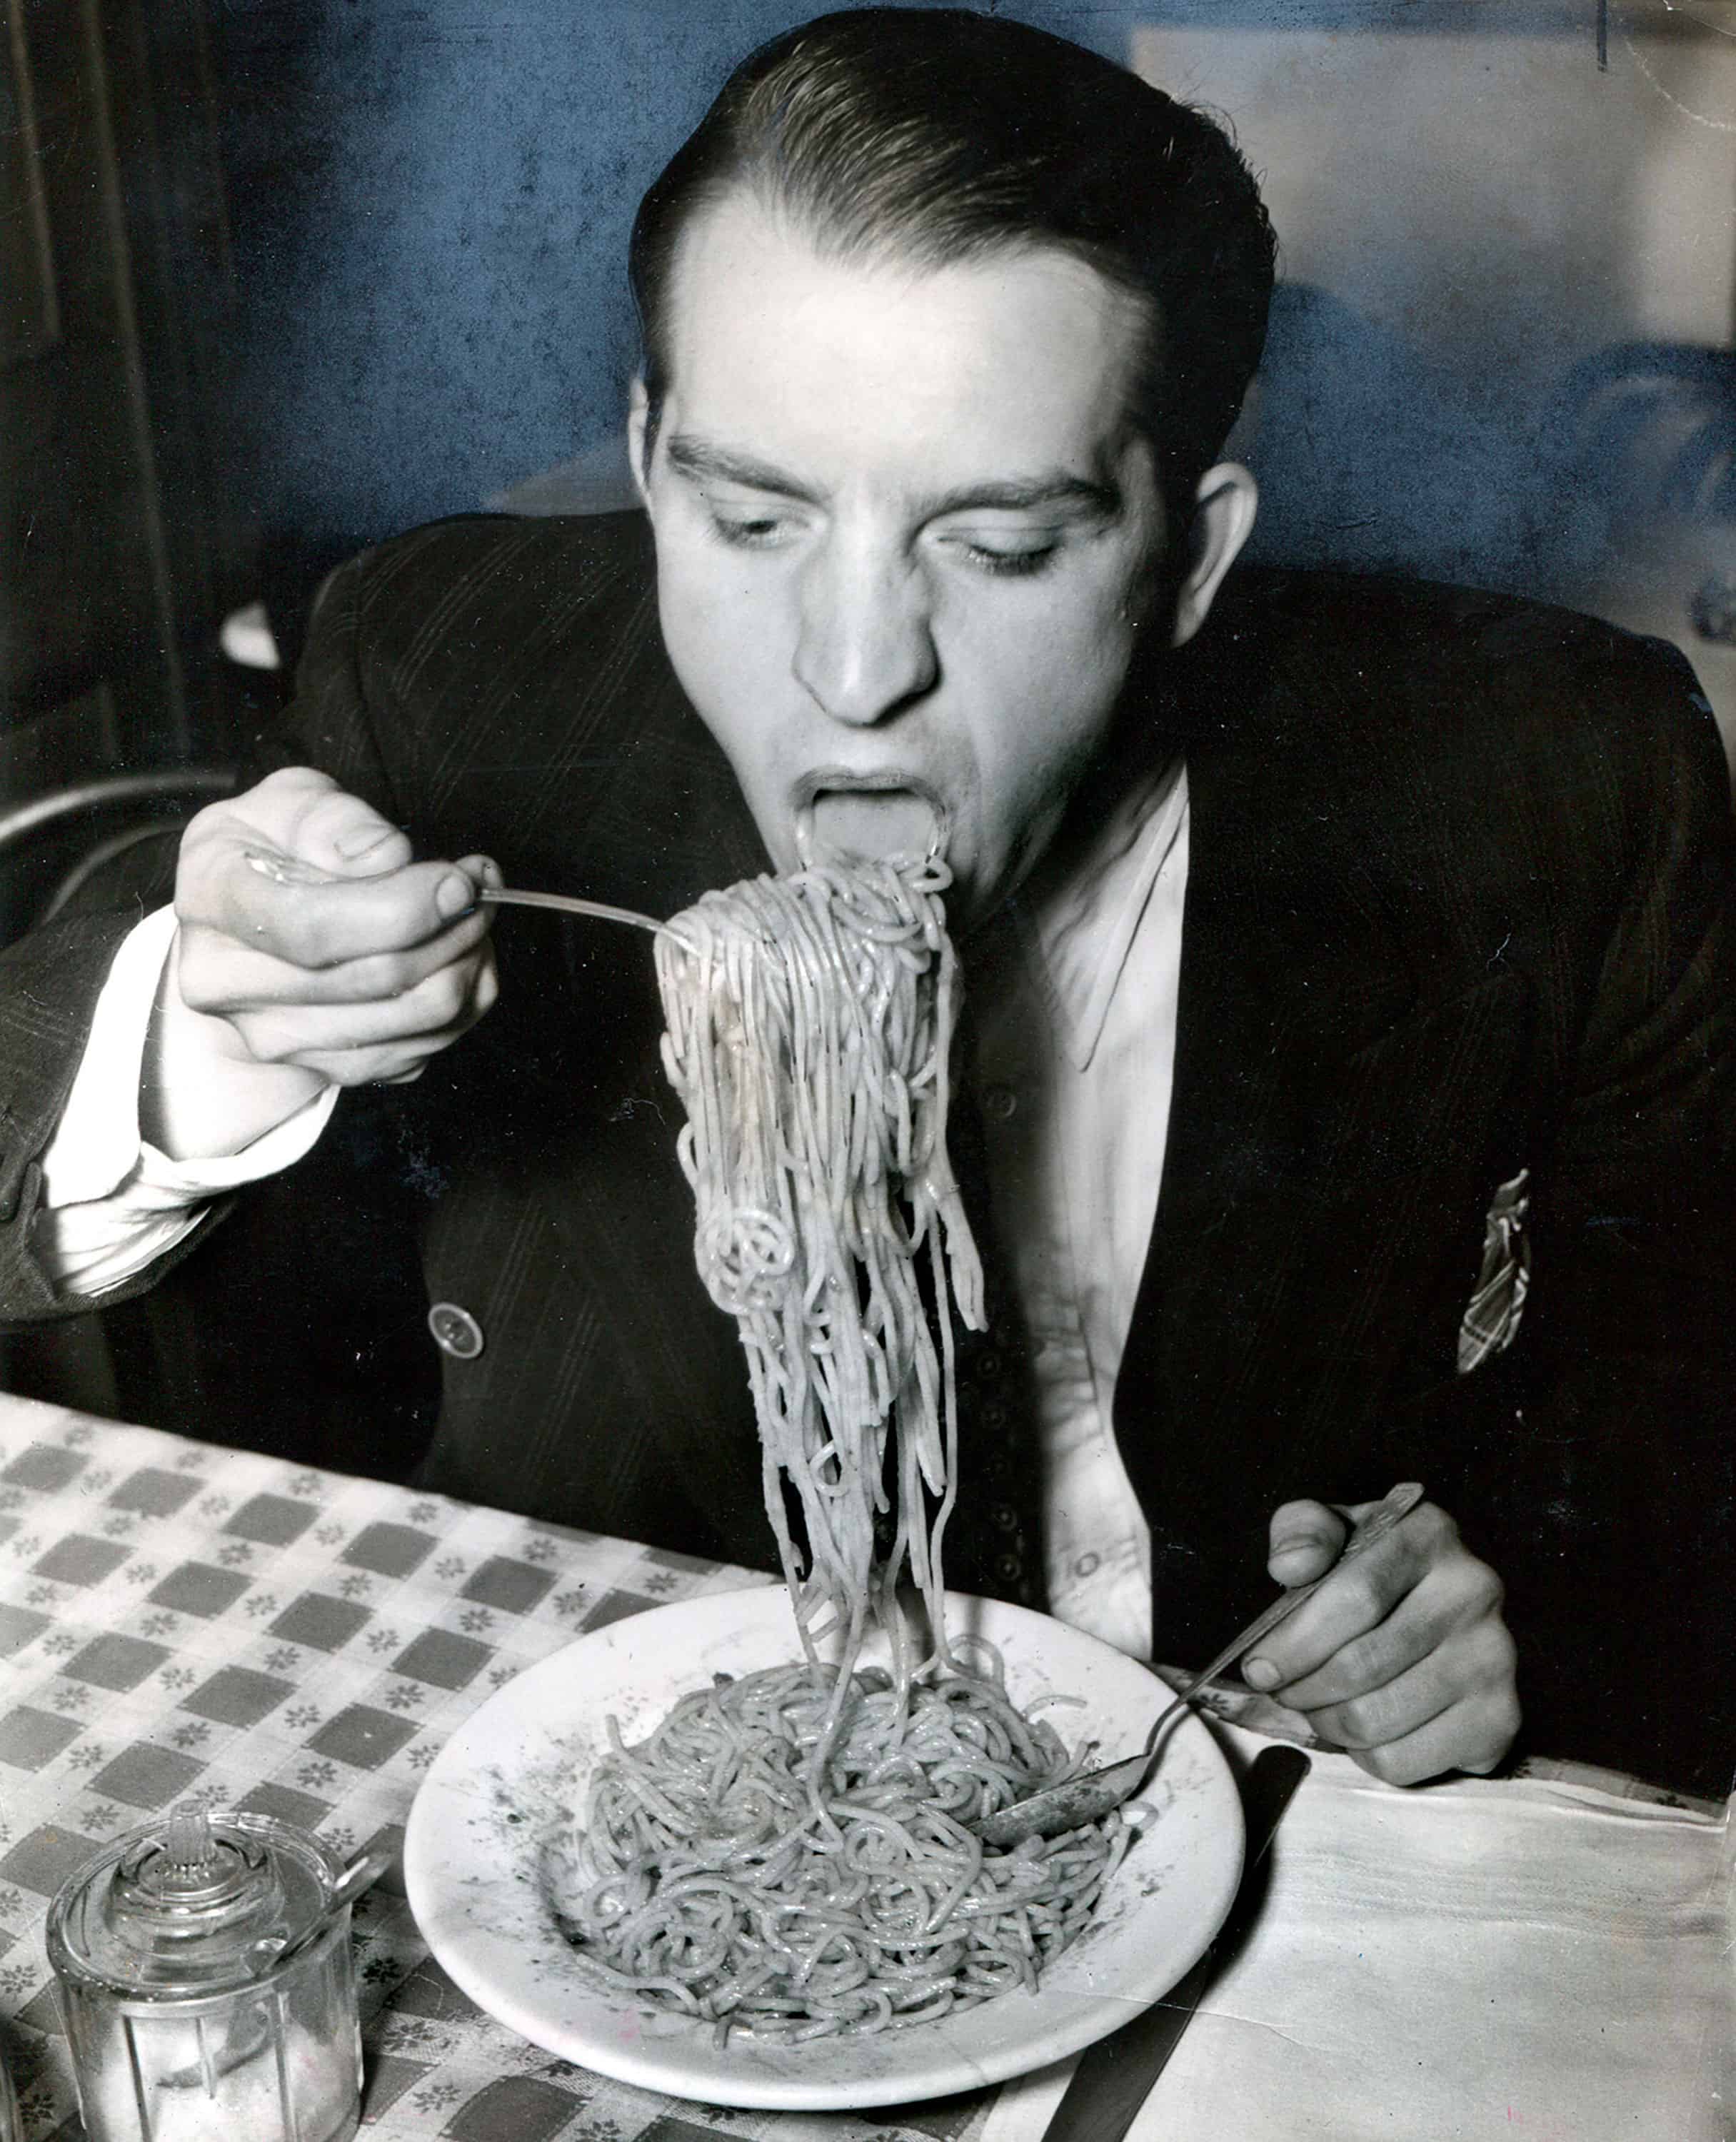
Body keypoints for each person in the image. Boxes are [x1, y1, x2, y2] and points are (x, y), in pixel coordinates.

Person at [2, 9, 1731, 1794]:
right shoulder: (445, 672)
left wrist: (1509, 1601)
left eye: (993, 548)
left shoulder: (1559, 780)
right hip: (659, 1819)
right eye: (751, 520)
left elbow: (1680, 1416)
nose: (850, 670)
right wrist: (195, 1028)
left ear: (1189, 555)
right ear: (648, 453)